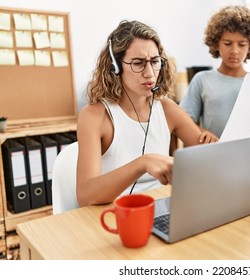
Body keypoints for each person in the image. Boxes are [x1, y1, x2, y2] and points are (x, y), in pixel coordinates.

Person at [76, 20, 216, 207]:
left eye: (155, 62)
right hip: (114, 212)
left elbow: (214, 156)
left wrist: (211, 144)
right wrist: (142, 163)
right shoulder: (94, 116)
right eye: (138, 63)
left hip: (161, 207)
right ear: (115, 67)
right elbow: (86, 195)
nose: (150, 73)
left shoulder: (167, 109)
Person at [180, 5, 250, 140]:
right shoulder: (202, 79)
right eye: (227, 43)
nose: (234, 51)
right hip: (212, 153)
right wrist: (202, 132)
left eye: (242, 44)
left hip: (245, 155)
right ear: (216, 43)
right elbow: (183, 122)